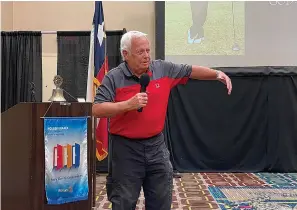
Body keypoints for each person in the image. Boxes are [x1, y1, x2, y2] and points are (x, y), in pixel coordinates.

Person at [92, 30, 232, 210]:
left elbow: (189, 70)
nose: (146, 56)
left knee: (161, 200)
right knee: (123, 202)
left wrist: (217, 74)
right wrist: (127, 105)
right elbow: (97, 109)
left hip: (156, 147)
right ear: (125, 54)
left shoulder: (162, 69)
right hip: (125, 150)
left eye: (148, 51)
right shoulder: (113, 77)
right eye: (140, 52)